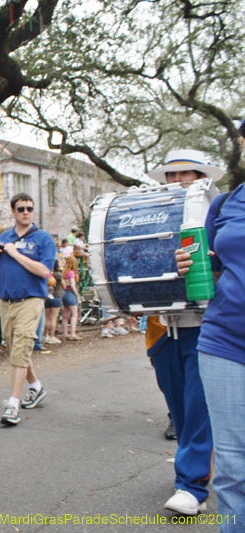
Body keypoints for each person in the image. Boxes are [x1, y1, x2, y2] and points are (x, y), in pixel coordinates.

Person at [146, 149, 219, 516]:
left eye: (184, 174)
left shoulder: (216, 209)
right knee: (179, 409)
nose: (176, 181)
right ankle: (202, 465)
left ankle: (191, 485)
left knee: (196, 406)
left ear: (201, 176)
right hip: (161, 326)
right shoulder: (149, 212)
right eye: (170, 176)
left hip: (205, 325)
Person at [177, 141, 245, 527]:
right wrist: (191, 264)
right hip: (225, 342)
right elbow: (213, 266)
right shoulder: (225, 205)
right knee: (233, 469)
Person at [0, 193, 55, 426]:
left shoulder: (43, 238)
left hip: (31, 300)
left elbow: (45, 272)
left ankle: (13, 405)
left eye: (30, 208)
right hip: (6, 302)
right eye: (21, 208)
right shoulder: (4, 237)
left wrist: (16, 254)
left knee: (23, 343)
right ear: (13, 211)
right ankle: (36, 386)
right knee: (17, 349)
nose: (26, 212)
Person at [61, 255, 82, 340]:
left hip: (64, 292)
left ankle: (65, 333)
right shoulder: (72, 273)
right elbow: (73, 285)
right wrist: (77, 295)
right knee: (74, 314)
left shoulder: (64, 272)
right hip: (70, 293)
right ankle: (73, 333)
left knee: (65, 315)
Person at [43, 258, 63, 344]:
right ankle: (52, 336)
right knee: (53, 318)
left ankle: (45, 335)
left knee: (46, 317)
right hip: (56, 296)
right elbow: (64, 285)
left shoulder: (46, 274)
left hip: (47, 297)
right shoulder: (58, 275)